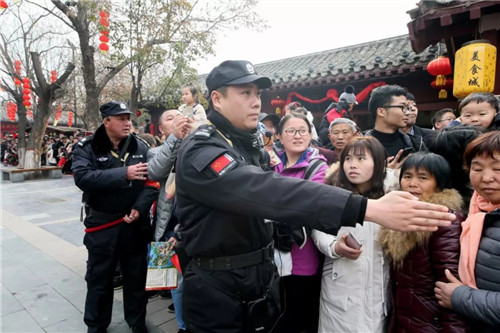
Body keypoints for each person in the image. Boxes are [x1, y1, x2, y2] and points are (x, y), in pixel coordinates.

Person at [175, 60, 456, 333]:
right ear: (217, 98)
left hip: (257, 280)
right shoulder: (204, 148)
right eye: (245, 93)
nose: (256, 102)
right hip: (219, 285)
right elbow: (266, 190)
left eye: (258, 93)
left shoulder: (246, 145)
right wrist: (365, 208)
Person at [72, 101, 159, 333]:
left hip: (135, 224)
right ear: (106, 121)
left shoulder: (140, 146)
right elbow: (83, 178)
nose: (127, 122)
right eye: (121, 118)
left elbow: (152, 183)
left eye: (128, 118)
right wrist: (124, 173)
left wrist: (140, 207)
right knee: (99, 279)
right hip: (103, 224)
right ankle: (97, 325)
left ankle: (137, 321)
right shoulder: (87, 147)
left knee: (136, 278)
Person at [379, 152, 469, 332]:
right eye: (407, 176)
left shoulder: (444, 221)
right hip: (404, 320)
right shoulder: (396, 216)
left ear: (439, 182)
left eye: (423, 178)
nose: (413, 184)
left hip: (430, 324)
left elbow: (449, 285)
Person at [312, 136, 390, 333]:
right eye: (348, 159)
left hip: (379, 292)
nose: (352, 165)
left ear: (378, 162)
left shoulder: (391, 195)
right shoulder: (332, 192)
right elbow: (318, 230)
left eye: (361, 159)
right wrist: (335, 247)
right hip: (340, 289)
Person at [435, 131, 500, 332]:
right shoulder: (478, 210)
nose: (486, 178)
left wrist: (460, 297)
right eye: (477, 168)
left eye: (498, 168)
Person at [272, 112, 328, 333]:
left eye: (302, 131)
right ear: (279, 136)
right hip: (274, 258)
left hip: (303, 258)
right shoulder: (271, 166)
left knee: (299, 317)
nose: (297, 136)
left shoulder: (318, 167)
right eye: (291, 131)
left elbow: (308, 208)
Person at [147, 109, 192, 333]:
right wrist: (175, 137)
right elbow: (155, 172)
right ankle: (183, 326)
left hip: (193, 227)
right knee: (177, 283)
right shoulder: (154, 152)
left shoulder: (197, 146)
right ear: (162, 129)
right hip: (168, 228)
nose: (177, 119)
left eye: (180, 115)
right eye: (169, 118)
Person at [365, 84, 427, 163]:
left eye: (407, 108)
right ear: (381, 112)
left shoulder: (416, 145)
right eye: (402, 107)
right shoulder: (358, 147)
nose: (407, 112)